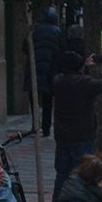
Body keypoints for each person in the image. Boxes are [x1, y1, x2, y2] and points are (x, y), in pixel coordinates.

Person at [51, 51, 102, 202]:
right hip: (81, 134)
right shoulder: (85, 83)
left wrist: (85, 68)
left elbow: (76, 82)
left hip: (62, 134)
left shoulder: (58, 80)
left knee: (62, 173)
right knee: (83, 171)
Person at [27, 7, 64, 137]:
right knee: (48, 101)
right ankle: (46, 128)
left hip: (34, 69)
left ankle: (36, 126)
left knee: (34, 99)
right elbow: (62, 49)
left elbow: (25, 47)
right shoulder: (57, 31)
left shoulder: (34, 30)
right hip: (50, 70)